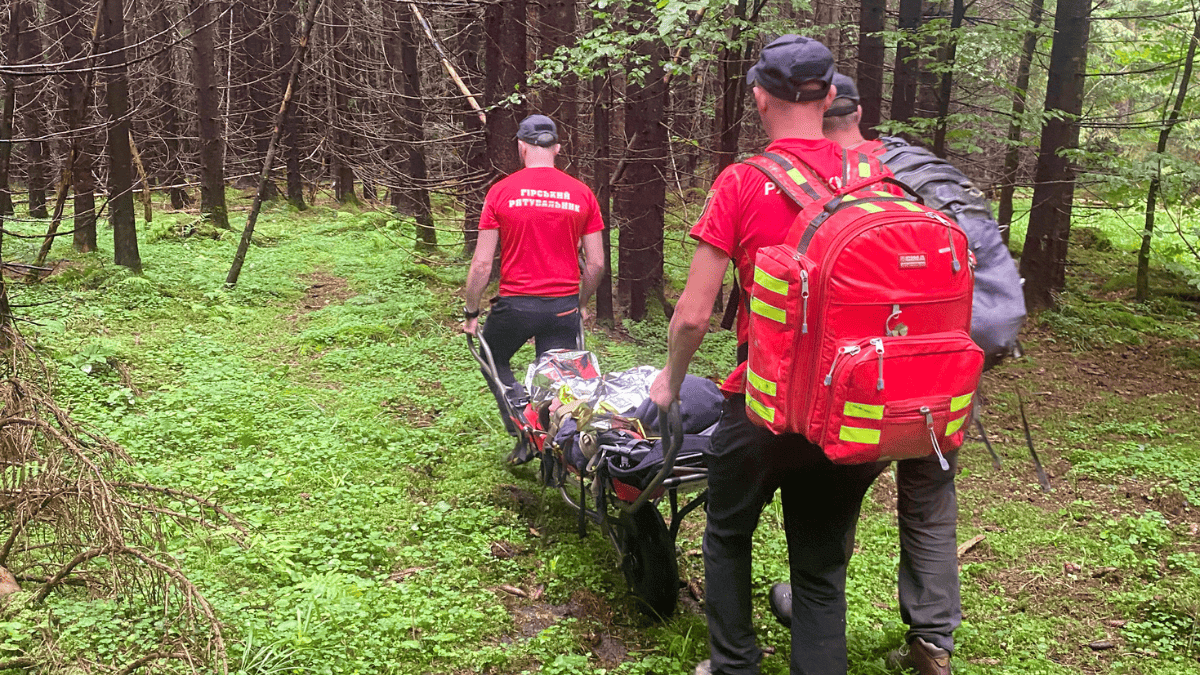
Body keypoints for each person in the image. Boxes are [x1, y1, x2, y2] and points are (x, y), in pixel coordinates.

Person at [647, 36, 891, 675]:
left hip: (763, 402)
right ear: (832, 95)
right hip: (848, 407)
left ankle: (733, 665)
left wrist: (669, 383)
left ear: (759, 96)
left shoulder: (743, 183)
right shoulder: (882, 179)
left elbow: (696, 313)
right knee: (818, 568)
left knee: (727, 533)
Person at [764, 72, 958, 675]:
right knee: (928, 500)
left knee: (837, 483)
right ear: (859, 110)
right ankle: (933, 643)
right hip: (944, 369)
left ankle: (814, 600)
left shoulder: (838, 182)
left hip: (865, 378)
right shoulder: (916, 168)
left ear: (816, 113)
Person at [463, 114, 605, 464]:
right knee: (555, 379)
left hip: (516, 305)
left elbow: (482, 264)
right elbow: (598, 263)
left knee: (492, 356)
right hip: (562, 307)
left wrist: (471, 312)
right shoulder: (582, 194)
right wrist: (581, 302)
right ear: (556, 148)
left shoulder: (501, 192)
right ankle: (555, 440)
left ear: (521, 147)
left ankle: (524, 431)